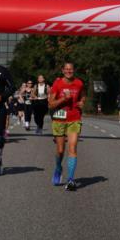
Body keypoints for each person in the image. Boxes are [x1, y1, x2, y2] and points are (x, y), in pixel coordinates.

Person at [48, 61, 86, 191]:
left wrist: (81, 102)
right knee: (60, 150)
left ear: (73, 70)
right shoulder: (57, 84)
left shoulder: (79, 83)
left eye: (71, 69)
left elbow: (83, 95)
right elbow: (51, 104)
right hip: (59, 120)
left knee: (73, 146)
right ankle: (58, 168)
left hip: (74, 119)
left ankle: (70, 180)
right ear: (63, 70)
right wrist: (63, 99)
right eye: (67, 69)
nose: (69, 71)